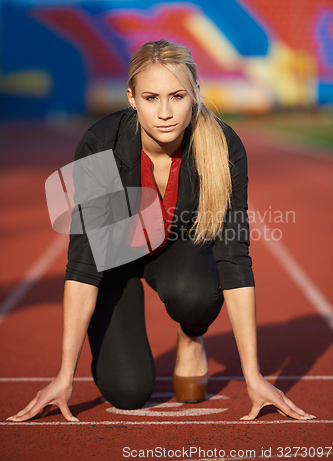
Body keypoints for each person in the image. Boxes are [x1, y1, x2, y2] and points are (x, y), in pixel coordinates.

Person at [7, 39, 315, 422]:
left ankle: (191, 335)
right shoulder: (100, 144)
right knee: (128, 392)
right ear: (132, 98)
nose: (165, 112)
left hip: (175, 250)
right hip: (115, 262)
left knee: (195, 294)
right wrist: (64, 374)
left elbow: (234, 257)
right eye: (151, 97)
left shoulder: (223, 146)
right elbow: (84, 263)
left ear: (196, 94)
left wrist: (253, 376)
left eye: (177, 96)